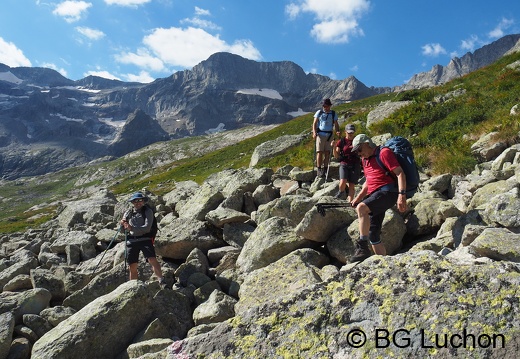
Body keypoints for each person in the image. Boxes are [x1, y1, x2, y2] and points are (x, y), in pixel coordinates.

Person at [349, 134, 407, 262]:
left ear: (367, 144)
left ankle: (362, 247)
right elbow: (368, 182)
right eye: (356, 151)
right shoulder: (365, 160)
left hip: (388, 192)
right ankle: (384, 264)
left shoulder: (384, 153)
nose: (359, 153)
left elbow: (400, 173)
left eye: (359, 149)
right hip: (376, 195)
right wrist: (358, 198)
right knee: (373, 234)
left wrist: (401, 195)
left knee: (362, 208)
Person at [120, 192, 167, 288]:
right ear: (132, 202)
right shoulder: (128, 213)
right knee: (132, 265)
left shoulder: (147, 211)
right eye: (135, 201)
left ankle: (161, 281)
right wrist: (122, 224)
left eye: (140, 200)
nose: (138, 202)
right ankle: (133, 286)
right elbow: (122, 230)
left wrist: (131, 228)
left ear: (143, 201)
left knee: (152, 259)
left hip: (145, 238)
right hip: (132, 240)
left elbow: (147, 228)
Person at [312, 98, 340, 178]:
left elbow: (336, 123)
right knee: (319, 152)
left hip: (329, 135)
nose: (325, 107)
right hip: (320, 134)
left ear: (330, 106)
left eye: (327, 106)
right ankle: (319, 169)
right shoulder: (319, 112)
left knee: (327, 153)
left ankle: (325, 168)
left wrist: (337, 131)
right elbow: (314, 123)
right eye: (324, 106)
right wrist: (314, 132)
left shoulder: (333, 113)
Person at [333, 124, 361, 202]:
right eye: (349, 132)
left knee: (352, 185)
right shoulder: (341, 141)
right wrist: (334, 148)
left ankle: (350, 202)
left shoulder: (357, 141)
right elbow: (336, 156)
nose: (350, 134)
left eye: (352, 132)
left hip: (355, 164)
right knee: (342, 182)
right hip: (344, 163)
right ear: (345, 132)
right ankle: (341, 192)